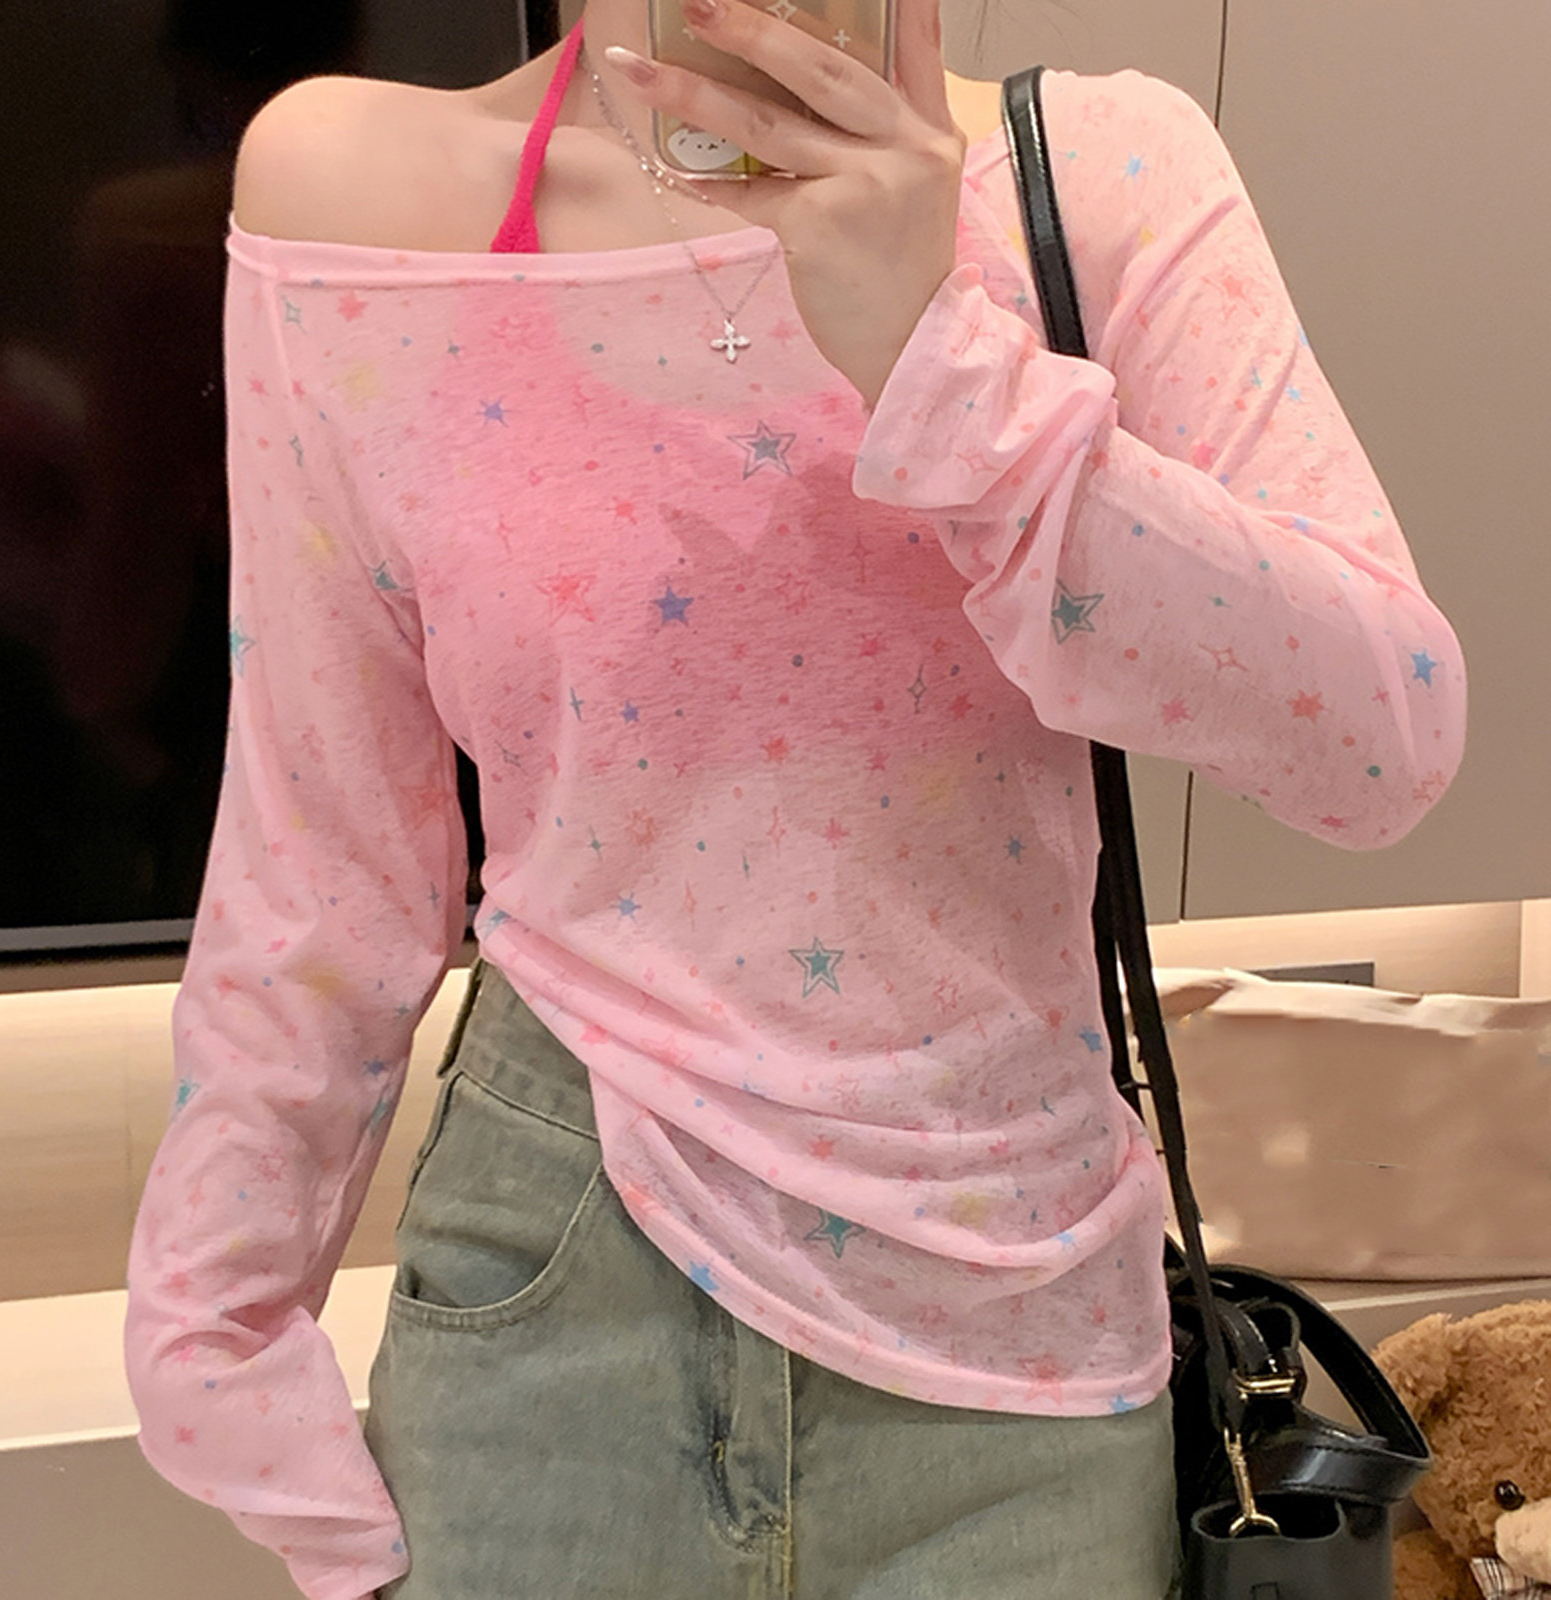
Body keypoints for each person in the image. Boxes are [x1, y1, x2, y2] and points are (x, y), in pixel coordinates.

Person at [122, 0, 1467, 1595]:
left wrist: (942, 364)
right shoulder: (360, 194)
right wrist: (214, 1330)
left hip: (1017, 1341)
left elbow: (1381, 740)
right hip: (550, 1285)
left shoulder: (1098, 174)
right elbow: (322, 838)